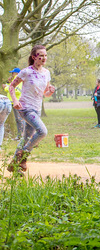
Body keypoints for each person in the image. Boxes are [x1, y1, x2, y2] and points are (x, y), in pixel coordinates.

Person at [7, 45, 55, 175]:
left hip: (36, 109)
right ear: (34, 57)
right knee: (42, 131)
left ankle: (13, 165)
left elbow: (45, 93)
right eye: (41, 55)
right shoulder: (26, 72)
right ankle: (24, 155)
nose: (44, 57)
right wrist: (15, 101)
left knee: (26, 138)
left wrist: (50, 91)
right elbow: (11, 86)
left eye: (45, 55)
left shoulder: (46, 73)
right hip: (25, 108)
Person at [3, 67, 24, 140]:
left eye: (13, 73)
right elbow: (10, 88)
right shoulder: (13, 80)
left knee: (20, 119)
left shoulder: (18, 80)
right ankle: (19, 136)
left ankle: (22, 136)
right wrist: (8, 83)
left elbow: (17, 91)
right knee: (18, 120)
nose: (12, 74)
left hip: (18, 102)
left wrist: (6, 87)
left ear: (17, 73)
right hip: (13, 103)